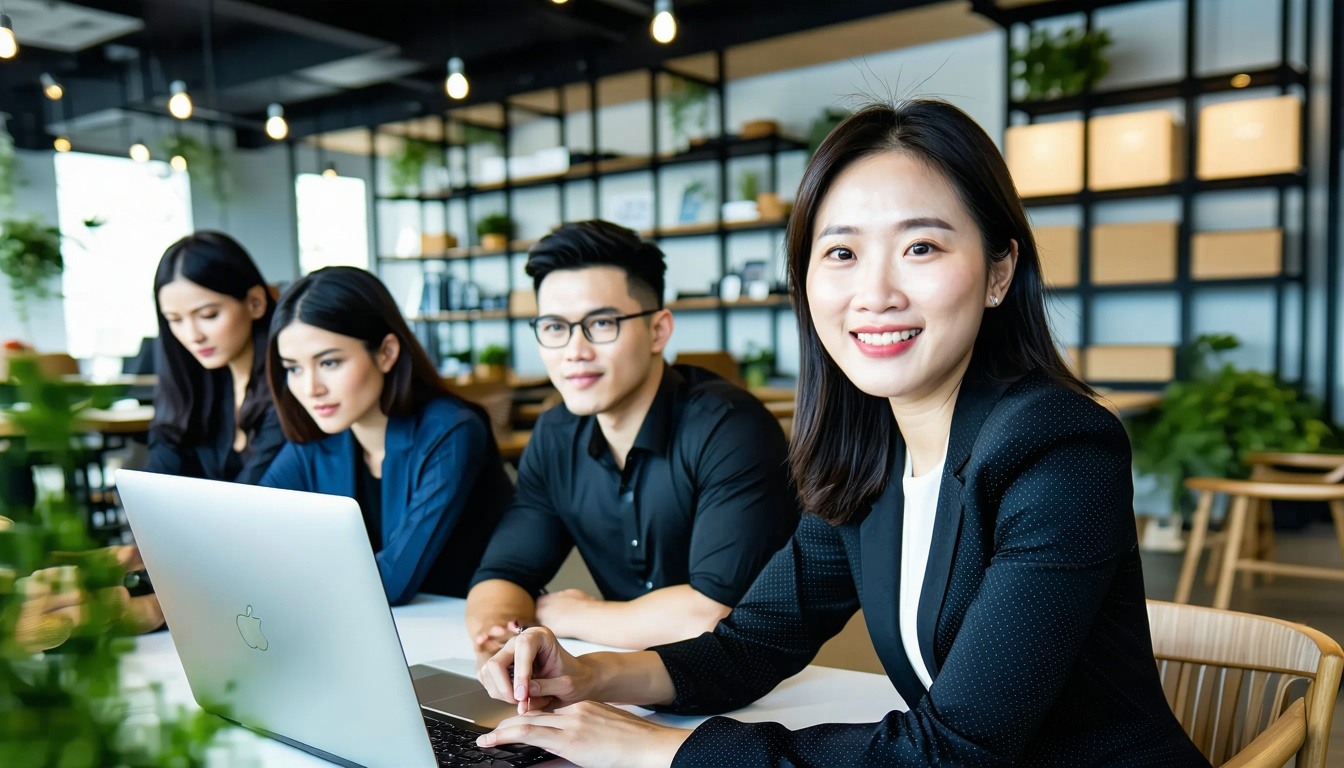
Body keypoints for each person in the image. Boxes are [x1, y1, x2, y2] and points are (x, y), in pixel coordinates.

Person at [473, 101, 1211, 767]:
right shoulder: (868, 460)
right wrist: (589, 675)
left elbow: (954, 752)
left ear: (998, 271)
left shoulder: (1056, 448)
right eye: (841, 253)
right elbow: (750, 644)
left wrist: (661, 752)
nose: (875, 294)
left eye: (920, 247)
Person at [465, 220, 798, 657]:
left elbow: (710, 615)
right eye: (553, 327)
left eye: (601, 324)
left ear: (659, 330)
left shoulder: (730, 428)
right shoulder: (555, 434)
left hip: (752, 692)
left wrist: (574, 615)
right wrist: (499, 637)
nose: (574, 351)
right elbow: (503, 572)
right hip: (618, 679)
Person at [259, 267, 511, 606]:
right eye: (293, 368)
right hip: (377, 631)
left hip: (470, 639)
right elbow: (251, 537)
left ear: (386, 352)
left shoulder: (451, 432)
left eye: (330, 363)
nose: (310, 388)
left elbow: (393, 580)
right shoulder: (318, 439)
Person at [148, 231, 284, 484]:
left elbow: (253, 499)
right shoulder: (196, 385)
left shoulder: (289, 386)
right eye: (175, 320)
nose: (192, 336)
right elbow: (156, 481)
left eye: (208, 315)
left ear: (255, 302)